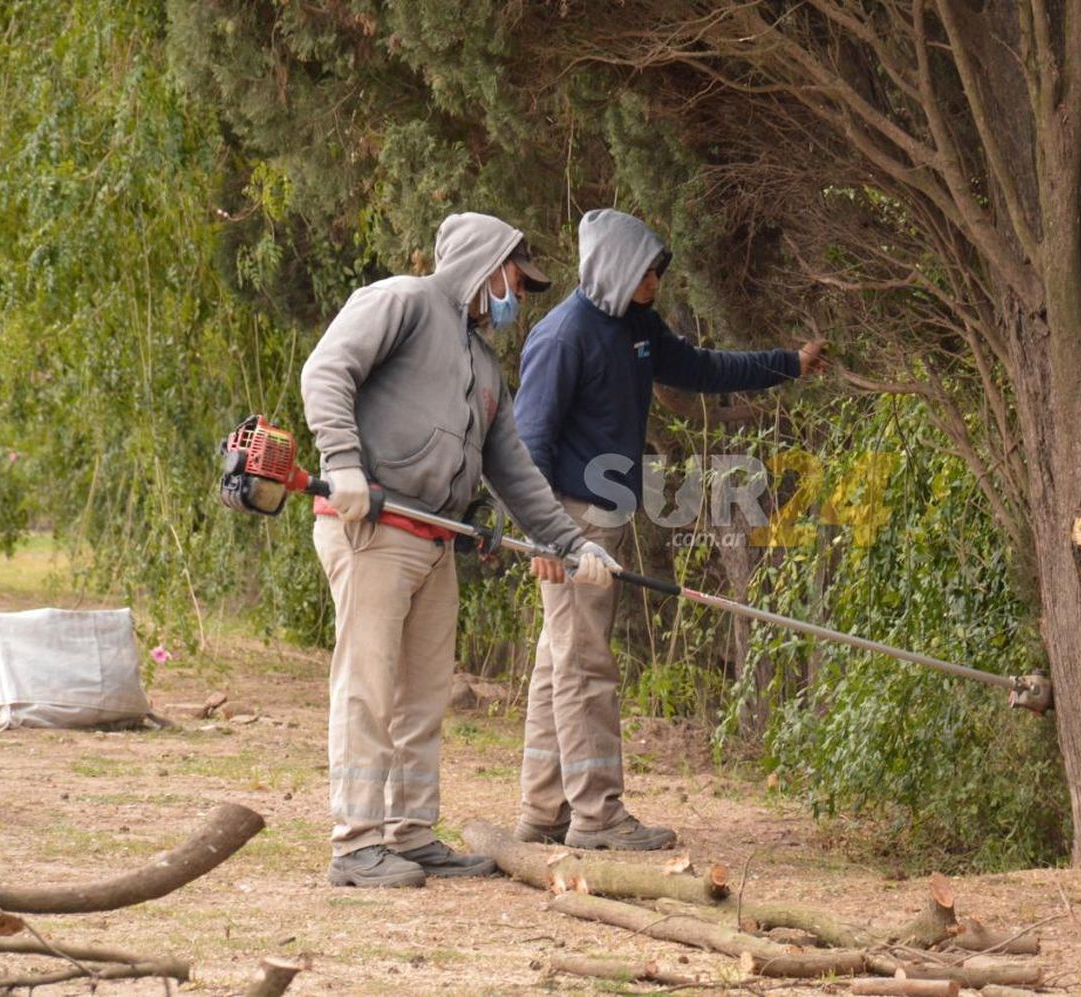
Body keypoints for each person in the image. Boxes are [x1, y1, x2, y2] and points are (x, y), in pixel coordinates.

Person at [301, 212, 620, 888]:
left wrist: (570, 543)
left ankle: (410, 835)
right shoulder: (404, 302)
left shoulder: (484, 363)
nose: (519, 295)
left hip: (433, 537)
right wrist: (343, 460)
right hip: (373, 528)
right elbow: (326, 369)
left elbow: (515, 470)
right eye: (516, 278)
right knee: (368, 688)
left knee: (422, 695)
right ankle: (356, 844)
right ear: (486, 264)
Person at [512, 208, 825, 851]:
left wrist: (787, 364)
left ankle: (544, 812)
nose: (657, 281)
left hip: (607, 517)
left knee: (560, 661)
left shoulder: (637, 325)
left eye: (658, 270)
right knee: (584, 665)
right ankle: (597, 816)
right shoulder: (562, 337)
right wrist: (540, 537)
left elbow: (703, 369)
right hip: (571, 521)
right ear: (615, 269)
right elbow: (527, 444)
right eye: (647, 271)